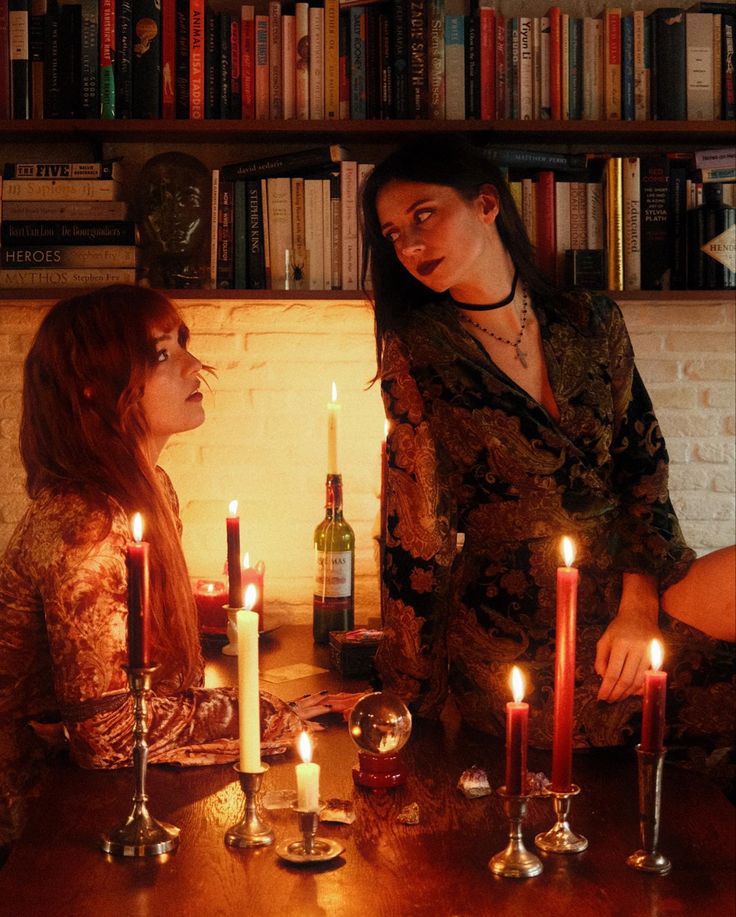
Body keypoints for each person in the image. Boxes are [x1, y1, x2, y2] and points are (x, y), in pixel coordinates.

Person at [361, 136, 734, 784]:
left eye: (423, 214)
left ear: (484, 204)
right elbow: (416, 543)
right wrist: (409, 702)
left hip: (636, 577)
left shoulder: (589, 317)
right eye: (394, 232)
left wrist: (639, 599)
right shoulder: (420, 353)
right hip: (524, 624)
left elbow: (642, 466)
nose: (410, 245)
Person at [0, 285, 346, 855]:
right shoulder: (85, 521)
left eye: (181, 343)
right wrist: (260, 716)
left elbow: (152, 678)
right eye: (162, 354)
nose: (195, 365)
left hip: (114, 794)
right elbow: (106, 733)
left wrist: (249, 712)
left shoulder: (150, 490)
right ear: (94, 389)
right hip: (46, 828)